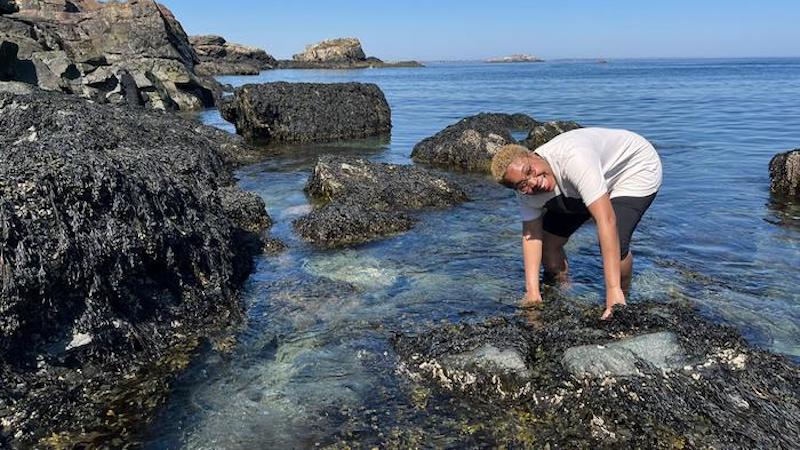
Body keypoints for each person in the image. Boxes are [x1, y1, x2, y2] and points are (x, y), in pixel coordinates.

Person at [490, 127, 662, 319]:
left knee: (617, 240)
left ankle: (621, 299)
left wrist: (612, 289)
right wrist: (532, 292)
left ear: (533, 155)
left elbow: (606, 220)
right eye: (522, 185)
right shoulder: (527, 193)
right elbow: (531, 236)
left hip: (634, 168)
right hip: (585, 182)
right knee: (548, 245)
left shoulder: (573, 158)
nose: (534, 182)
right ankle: (564, 292)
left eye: (530, 171)